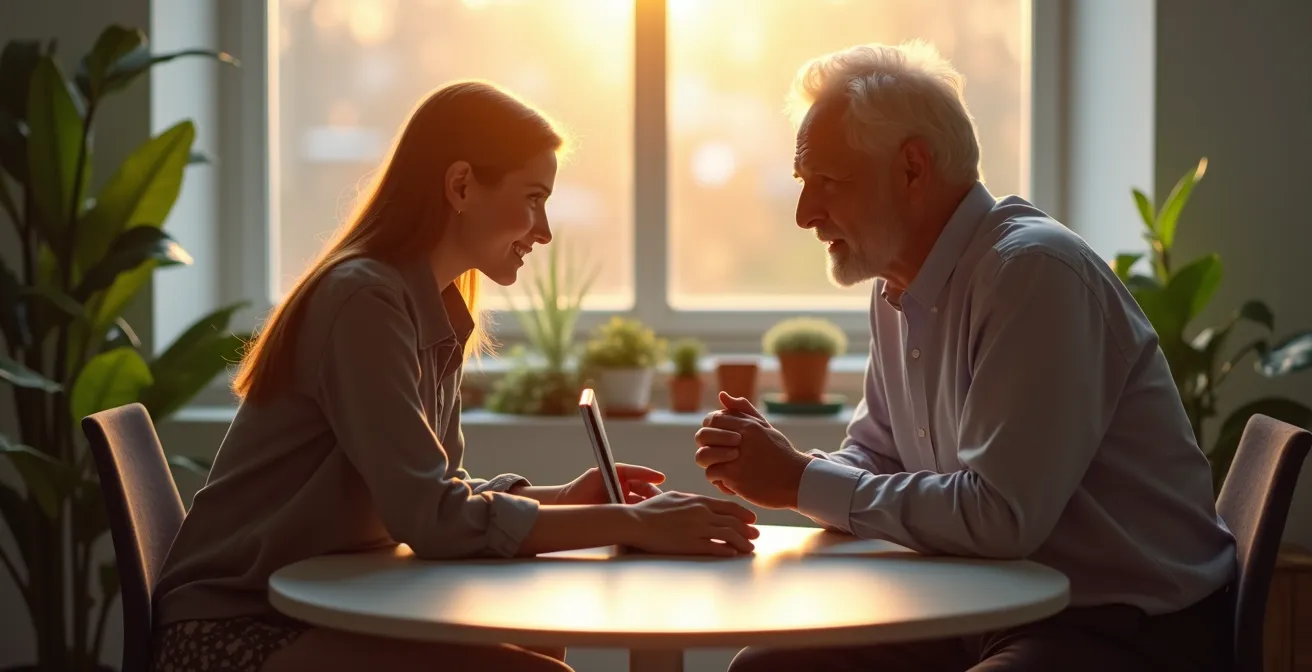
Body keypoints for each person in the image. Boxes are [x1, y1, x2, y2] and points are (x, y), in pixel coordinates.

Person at [151, 80, 760, 672]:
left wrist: (561, 499)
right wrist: (633, 524)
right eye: (532, 198)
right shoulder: (363, 301)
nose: (543, 230)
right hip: (230, 629)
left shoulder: (426, 306)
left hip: (315, 609)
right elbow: (433, 518)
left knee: (541, 647)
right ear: (462, 185)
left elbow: (434, 488)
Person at [694, 41, 1236, 672]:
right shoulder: (895, 281)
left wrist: (799, 481)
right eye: (802, 183)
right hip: (986, 602)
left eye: (829, 183)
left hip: (1123, 625)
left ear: (914, 169)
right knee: (766, 667)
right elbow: (879, 451)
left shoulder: (1032, 273)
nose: (804, 213)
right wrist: (794, 468)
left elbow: (1000, 516)